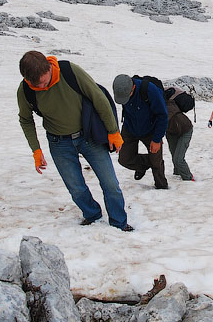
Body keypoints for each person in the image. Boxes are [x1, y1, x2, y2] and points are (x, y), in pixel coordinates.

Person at [17, 51, 132, 232]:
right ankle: (92, 214)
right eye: (36, 84)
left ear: (49, 68)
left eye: (44, 81)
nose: (42, 86)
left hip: (88, 135)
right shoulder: (25, 90)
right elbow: (25, 119)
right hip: (58, 142)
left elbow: (98, 97)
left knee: (110, 183)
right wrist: (36, 150)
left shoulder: (69, 71)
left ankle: (119, 222)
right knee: (75, 187)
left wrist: (113, 132)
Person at [113, 74, 169, 189]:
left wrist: (157, 139)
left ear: (133, 88)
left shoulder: (150, 90)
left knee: (156, 162)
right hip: (130, 128)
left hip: (151, 129)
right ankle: (143, 165)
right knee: (124, 159)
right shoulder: (121, 90)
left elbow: (162, 116)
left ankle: (162, 187)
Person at [164, 87, 194, 181]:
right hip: (171, 131)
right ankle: (177, 173)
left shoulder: (166, 106)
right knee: (174, 156)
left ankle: (188, 178)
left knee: (178, 159)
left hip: (185, 130)